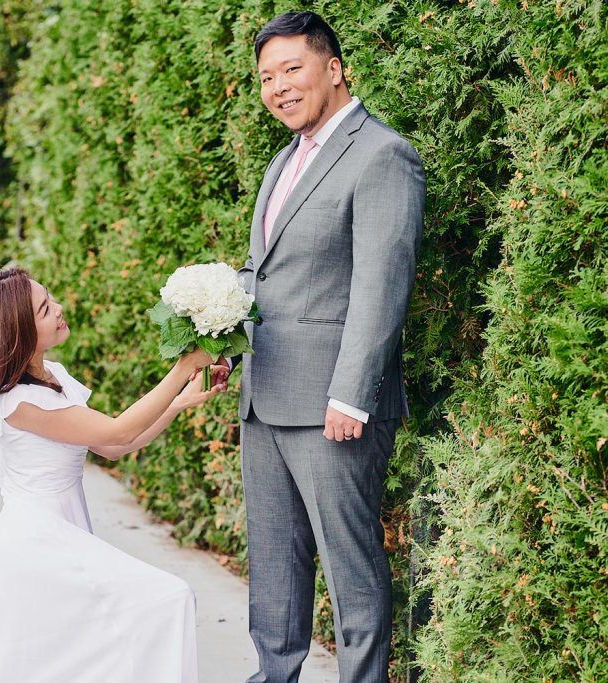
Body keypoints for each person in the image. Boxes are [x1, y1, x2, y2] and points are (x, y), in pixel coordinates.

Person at [0, 267, 224, 682]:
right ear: (18, 333)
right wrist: (182, 367)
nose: (59, 309)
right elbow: (118, 429)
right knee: (166, 599)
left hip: (63, 533)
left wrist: (177, 403)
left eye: (50, 299)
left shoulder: (54, 379)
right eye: (45, 309)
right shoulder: (19, 403)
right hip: (38, 544)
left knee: (59, 658)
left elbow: (114, 447)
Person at [225, 11, 425, 683]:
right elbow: (273, 274)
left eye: (291, 69)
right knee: (274, 569)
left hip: (333, 408)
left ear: (333, 69)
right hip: (266, 395)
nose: (277, 87)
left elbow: (381, 282)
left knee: (350, 569)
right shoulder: (284, 159)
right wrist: (224, 328)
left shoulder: (381, 154)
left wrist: (351, 394)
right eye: (265, 77)